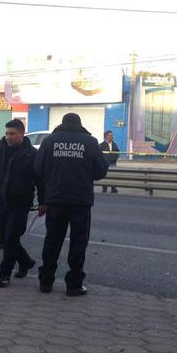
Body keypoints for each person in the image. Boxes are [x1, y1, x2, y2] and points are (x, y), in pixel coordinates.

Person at [34, 113, 109, 297]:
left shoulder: (50, 141)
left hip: (55, 199)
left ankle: (46, 281)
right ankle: (74, 284)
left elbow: (38, 168)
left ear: (62, 123)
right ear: (80, 124)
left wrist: (51, 183)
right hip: (80, 201)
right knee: (78, 242)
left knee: (52, 240)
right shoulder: (90, 142)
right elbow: (101, 170)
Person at [0, 119, 45, 288]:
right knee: (2, 237)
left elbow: (41, 181)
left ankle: (4, 275)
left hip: (20, 202)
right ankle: (25, 261)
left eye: (12, 134)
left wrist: (43, 202)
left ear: (22, 134)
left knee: (11, 237)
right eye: (6, 133)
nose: (8, 137)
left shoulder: (31, 154)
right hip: (2, 201)